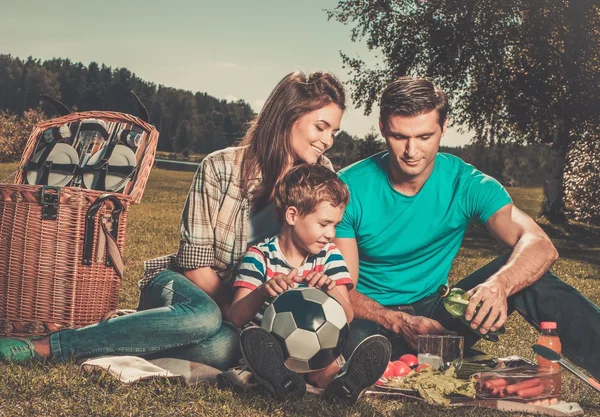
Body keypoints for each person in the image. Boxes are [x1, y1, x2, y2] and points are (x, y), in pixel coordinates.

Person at [0, 70, 347, 372]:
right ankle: (50, 346)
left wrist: (251, 317)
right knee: (205, 318)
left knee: (223, 347)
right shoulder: (220, 167)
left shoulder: (321, 179)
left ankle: (134, 332)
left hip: (250, 311)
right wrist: (233, 311)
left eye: (334, 132)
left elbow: (319, 256)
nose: (327, 141)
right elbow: (195, 264)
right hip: (187, 288)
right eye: (321, 126)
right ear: (288, 115)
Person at [333, 76, 600, 380]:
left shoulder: (466, 183)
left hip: (436, 316)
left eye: (424, 136)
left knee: (529, 276)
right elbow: (342, 288)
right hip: (370, 316)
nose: (411, 150)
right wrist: (394, 320)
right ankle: (400, 359)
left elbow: (541, 245)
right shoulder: (346, 188)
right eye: (399, 136)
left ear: (443, 128)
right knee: (356, 343)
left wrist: (499, 285)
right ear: (382, 128)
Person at [229, 164, 391, 403]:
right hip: (272, 351)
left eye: (335, 225)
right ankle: (279, 378)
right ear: (293, 215)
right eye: (324, 224)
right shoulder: (260, 256)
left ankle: (344, 385)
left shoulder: (330, 256)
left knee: (328, 368)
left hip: (317, 354)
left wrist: (331, 289)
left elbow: (347, 316)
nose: (330, 233)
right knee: (259, 356)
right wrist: (263, 291)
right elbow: (236, 317)